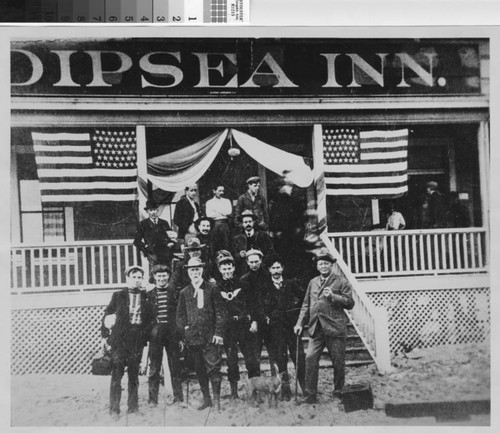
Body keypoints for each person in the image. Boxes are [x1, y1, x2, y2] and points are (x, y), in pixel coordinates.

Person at [293, 248, 355, 404]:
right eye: (321, 264)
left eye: (326, 264)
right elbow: (306, 305)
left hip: (335, 328)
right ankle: (310, 394)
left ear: (331, 265)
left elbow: (350, 303)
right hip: (316, 328)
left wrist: (333, 297)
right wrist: (300, 323)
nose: (323, 267)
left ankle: (338, 392)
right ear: (317, 266)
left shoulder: (341, 281)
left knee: (338, 362)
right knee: (310, 359)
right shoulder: (312, 282)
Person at [101, 266, 152, 419]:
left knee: (134, 374)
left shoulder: (146, 296)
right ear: (127, 278)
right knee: (117, 373)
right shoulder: (118, 295)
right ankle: (114, 408)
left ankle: (133, 407)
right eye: (134, 277)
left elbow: (149, 318)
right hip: (120, 339)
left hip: (137, 338)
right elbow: (107, 314)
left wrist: (144, 333)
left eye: (139, 277)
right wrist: (104, 336)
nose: (137, 280)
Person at [176, 257, 226, 411]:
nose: (195, 272)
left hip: (210, 337)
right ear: (188, 272)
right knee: (199, 369)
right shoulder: (184, 292)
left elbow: (220, 312)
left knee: (214, 368)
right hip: (193, 339)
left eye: (198, 269)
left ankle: (217, 401)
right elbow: (180, 316)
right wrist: (184, 332)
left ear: (202, 270)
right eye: (192, 270)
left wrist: (218, 333)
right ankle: (207, 399)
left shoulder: (212, 288)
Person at [215, 250, 260, 399]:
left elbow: (253, 304)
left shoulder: (243, 284)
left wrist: (254, 320)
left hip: (244, 325)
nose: (227, 271)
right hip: (228, 328)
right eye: (224, 268)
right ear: (220, 270)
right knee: (232, 361)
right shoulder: (216, 288)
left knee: (251, 359)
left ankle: (255, 391)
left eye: (229, 268)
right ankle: (234, 393)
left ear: (233, 268)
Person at [263, 253, 306, 400]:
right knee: (281, 360)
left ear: (282, 268)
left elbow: (303, 300)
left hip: (292, 328)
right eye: (273, 268)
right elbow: (261, 307)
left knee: (299, 357)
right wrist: (267, 318)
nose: (276, 271)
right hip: (276, 329)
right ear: (269, 270)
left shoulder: (291, 284)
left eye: (278, 267)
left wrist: (298, 315)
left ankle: (305, 387)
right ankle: (285, 391)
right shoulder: (265, 287)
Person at [146, 264, 184, 407]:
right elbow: (147, 317)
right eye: (159, 276)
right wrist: (151, 331)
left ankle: (178, 398)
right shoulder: (149, 295)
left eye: (164, 275)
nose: (162, 278)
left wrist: (180, 337)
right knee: (154, 367)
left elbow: (179, 316)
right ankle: (152, 399)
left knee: (175, 366)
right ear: (154, 277)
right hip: (156, 334)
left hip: (172, 333)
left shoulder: (174, 293)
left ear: (168, 276)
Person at [269, 179, 305, 273]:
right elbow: (274, 219)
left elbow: (298, 218)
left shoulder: (294, 201)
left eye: (291, 187)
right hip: (281, 235)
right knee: (282, 255)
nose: (290, 189)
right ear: (281, 188)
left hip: (292, 235)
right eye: (288, 186)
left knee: (294, 257)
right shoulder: (275, 202)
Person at [232, 210, 274, 276]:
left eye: (250, 221)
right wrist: (239, 255)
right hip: (244, 270)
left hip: (262, 268)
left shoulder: (263, 235)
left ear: (253, 222)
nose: (248, 224)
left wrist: (263, 259)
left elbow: (271, 251)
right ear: (242, 224)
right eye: (245, 222)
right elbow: (233, 254)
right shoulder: (237, 239)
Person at [134, 200, 175, 267]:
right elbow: (136, 241)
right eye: (150, 210)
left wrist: (170, 243)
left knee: (167, 270)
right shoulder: (143, 224)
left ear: (157, 211)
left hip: (165, 252)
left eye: (154, 210)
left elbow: (171, 236)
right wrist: (145, 249)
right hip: (152, 252)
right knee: (155, 271)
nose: (153, 212)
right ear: (147, 211)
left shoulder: (164, 223)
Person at [205, 185, 233, 253]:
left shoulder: (226, 201)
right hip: (214, 225)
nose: (221, 192)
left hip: (225, 225)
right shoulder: (209, 202)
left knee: (226, 245)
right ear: (214, 191)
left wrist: (216, 210)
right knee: (215, 246)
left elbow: (228, 212)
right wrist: (222, 212)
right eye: (219, 191)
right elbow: (209, 215)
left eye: (222, 191)